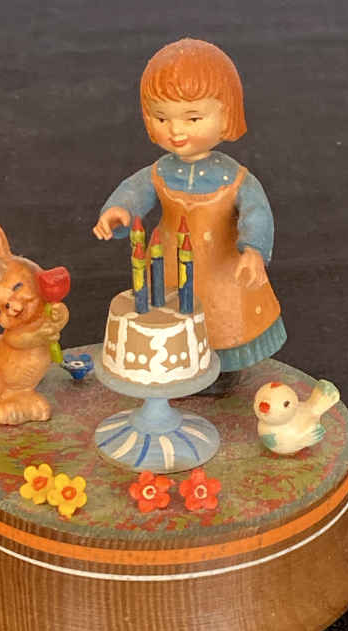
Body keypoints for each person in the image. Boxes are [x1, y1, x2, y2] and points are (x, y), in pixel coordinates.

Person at [93, 38, 286, 394]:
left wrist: (254, 250)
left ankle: (222, 373)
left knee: (222, 318)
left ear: (226, 114)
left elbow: (257, 212)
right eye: (161, 118)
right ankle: (176, 366)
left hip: (222, 270)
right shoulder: (159, 172)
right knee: (171, 319)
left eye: (193, 118)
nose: (176, 131)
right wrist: (119, 212)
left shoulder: (236, 178)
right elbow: (134, 192)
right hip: (168, 266)